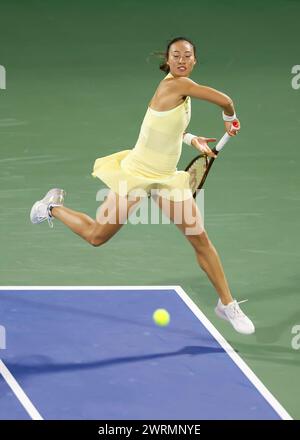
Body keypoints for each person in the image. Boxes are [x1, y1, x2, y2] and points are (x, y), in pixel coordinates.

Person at [30, 36, 255, 335]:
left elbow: (166, 126)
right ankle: (51, 206)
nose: (182, 60)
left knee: (200, 238)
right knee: (97, 236)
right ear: (169, 59)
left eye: (187, 55)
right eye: (176, 55)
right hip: (136, 174)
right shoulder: (176, 85)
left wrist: (191, 139)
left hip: (165, 178)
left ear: (195, 60)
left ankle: (227, 304)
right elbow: (226, 101)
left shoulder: (182, 91)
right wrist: (231, 117)